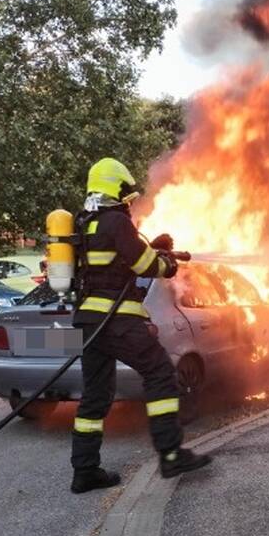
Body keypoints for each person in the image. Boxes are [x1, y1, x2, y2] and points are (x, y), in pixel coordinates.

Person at [69, 157, 212, 494]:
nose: (127, 202)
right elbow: (146, 266)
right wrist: (166, 262)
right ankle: (171, 453)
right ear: (116, 188)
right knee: (161, 373)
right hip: (117, 320)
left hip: (89, 322)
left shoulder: (83, 223)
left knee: (95, 396)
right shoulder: (116, 221)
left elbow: (116, 262)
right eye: (125, 194)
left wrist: (153, 248)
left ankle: (84, 472)